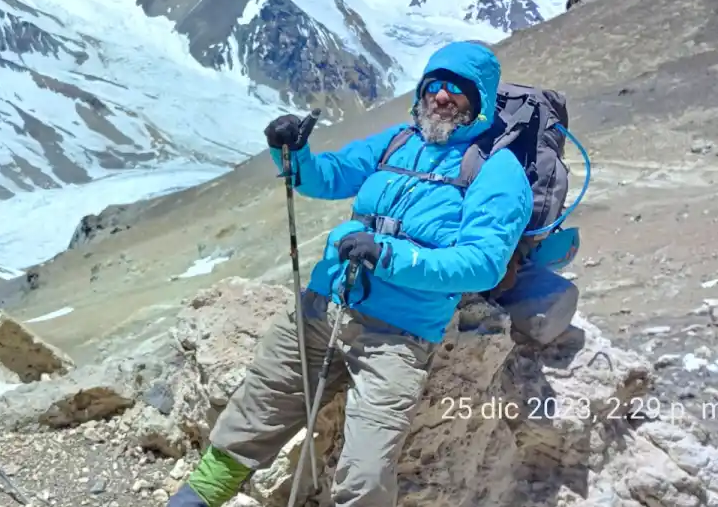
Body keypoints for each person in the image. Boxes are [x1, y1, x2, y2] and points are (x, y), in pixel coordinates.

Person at [168, 41, 533, 507]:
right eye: (435, 84)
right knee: (249, 422)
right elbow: (331, 175)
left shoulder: (497, 172)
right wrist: (294, 156)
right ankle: (194, 500)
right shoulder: (398, 140)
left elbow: (482, 263)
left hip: (397, 335)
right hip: (325, 306)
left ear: (479, 102)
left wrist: (389, 256)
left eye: (457, 90)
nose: (442, 96)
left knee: (365, 476)